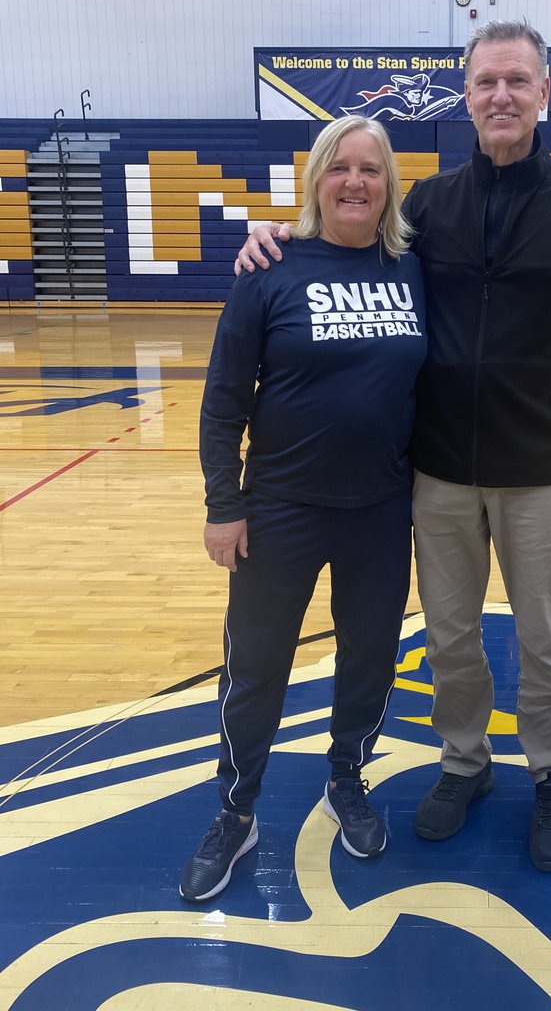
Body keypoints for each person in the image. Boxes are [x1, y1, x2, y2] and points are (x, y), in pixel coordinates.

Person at [236, 21, 551, 873]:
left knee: (545, 639)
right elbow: (350, 243)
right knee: (452, 637)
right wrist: (271, 236)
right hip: (438, 476)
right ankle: (465, 762)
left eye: (517, 81)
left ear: (543, 94)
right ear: (465, 98)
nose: (501, 96)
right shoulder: (428, 204)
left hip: (538, 474)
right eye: (485, 82)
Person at [179, 116, 427, 902]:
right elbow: (223, 401)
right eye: (340, 168)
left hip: (382, 511)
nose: (355, 181)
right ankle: (235, 810)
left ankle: (346, 778)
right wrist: (225, 505)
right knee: (255, 671)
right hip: (279, 509)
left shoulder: (414, 269)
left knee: (370, 658)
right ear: (317, 179)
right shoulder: (270, 269)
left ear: (388, 184)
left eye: (371, 169)